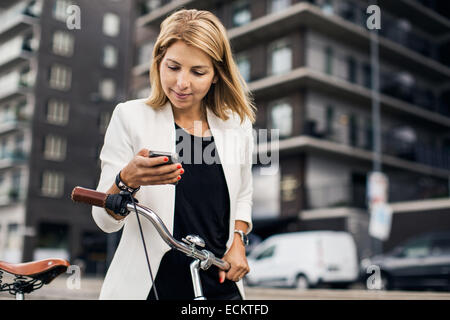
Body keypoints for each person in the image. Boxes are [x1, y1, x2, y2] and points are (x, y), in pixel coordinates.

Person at [92, 9, 256, 300]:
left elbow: (242, 195)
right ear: (158, 63)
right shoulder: (129, 116)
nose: (182, 83)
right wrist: (125, 180)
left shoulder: (237, 124)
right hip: (151, 285)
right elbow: (104, 220)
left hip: (218, 281)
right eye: (173, 67)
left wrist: (238, 241)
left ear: (217, 74)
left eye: (198, 72)